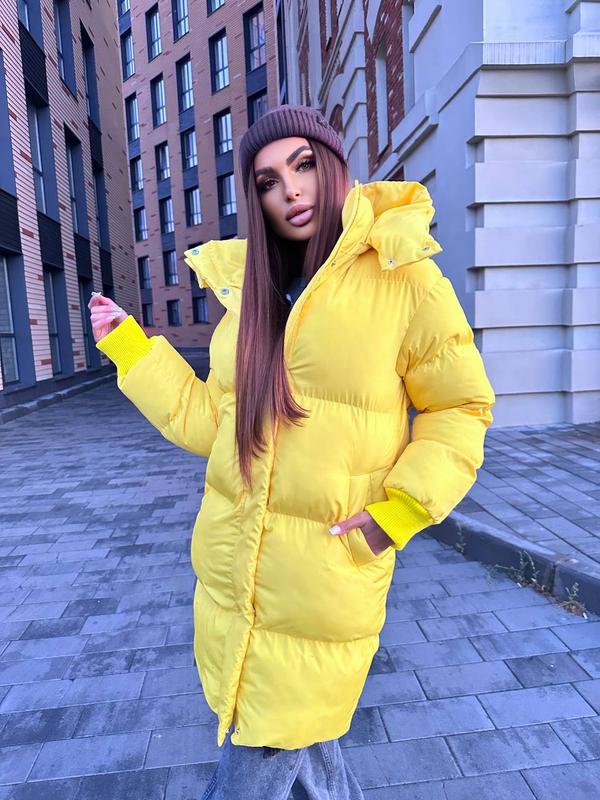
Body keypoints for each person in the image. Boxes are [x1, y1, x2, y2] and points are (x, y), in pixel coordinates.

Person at [88, 104, 496, 799]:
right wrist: (133, 351)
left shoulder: (404, 276)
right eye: (268, 181)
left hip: (324, 573)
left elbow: (460, 407)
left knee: (263, 749)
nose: (291, 191)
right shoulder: (252, 292)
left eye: (303, 165)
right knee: (301, 743)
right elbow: (209, 425)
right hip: (236, 571)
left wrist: (398, 513)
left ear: (332, 166)